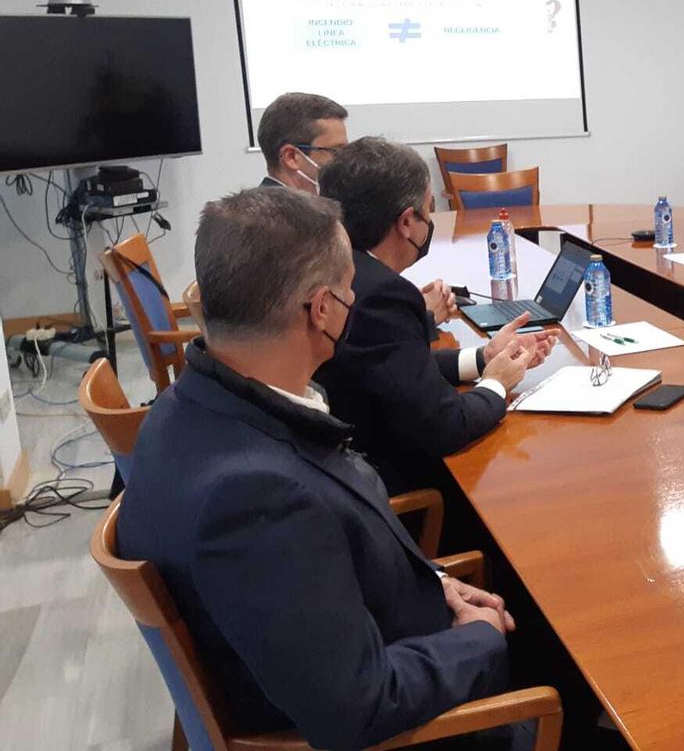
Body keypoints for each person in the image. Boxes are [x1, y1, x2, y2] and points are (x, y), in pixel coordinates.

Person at [117, 188, 531, 750]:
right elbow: (359, 708)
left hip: (368, 635)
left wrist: (434, 586)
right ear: (322, 310)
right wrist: (478, 639)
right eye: (349, 290)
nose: (356, 301)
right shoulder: (255, 499)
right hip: (399, 727)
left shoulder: (186, 405)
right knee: (572, 672)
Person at [315, 137, 556, 494]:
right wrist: (496, 383)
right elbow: (445, 426)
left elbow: (395, 369)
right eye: (428, 211)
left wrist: (483, 358)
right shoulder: (381, 294)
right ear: (407, 222)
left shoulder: (342, 269)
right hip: (402, 490)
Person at [257, 92, 348, 192]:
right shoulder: (270, 207)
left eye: (346, 151)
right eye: (336, 151)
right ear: (291, 156)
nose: (345, 160)